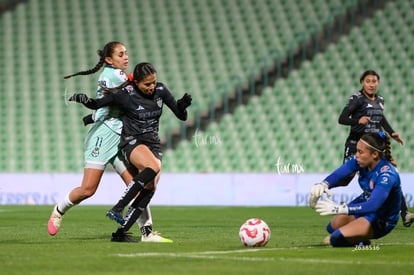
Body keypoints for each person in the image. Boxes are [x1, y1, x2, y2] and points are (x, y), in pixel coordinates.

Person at [48, 42, 171, 243]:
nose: (126, 57)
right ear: (108, 60)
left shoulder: (116, 75)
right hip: (104, 135)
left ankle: (147, 232)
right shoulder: (115, 76)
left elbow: (115, 101)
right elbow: (129, 90)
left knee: (140, 185)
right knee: (88, 189)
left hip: (122, 135)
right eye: (121, 54)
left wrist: (92, 115)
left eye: (126, 53)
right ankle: (59, 209)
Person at [69, 62, 192, 242]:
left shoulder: (161, 90)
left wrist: (182, 106)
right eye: (146, 84)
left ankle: (121, 234)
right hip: (132, 141)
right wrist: (85, 100)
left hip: (153, 144)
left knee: (151, 186)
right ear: (137, 83)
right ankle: (118, 207)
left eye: (153, 82)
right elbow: (98, 104)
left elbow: (181, 116)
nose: (151, 87)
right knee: (153, 166)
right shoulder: (125, 94)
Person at [337, 69, 413, 227]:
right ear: (362, 83)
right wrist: (358, 120)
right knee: (345, 180)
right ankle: (321, 189)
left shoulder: (380, 100)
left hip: (374, 148)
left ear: (378, 83)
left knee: (390, 177)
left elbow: (381, 118)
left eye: (374, 81)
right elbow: (342, 119)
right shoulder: (357, 99)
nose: (371, 84)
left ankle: (405, 213)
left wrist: (392, 133)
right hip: (355, 145)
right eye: (368, 81)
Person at [310, 132, 402, 247]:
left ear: (374, 154)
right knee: (332, 227)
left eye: (360, 152)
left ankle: (361, 237)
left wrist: (340, 208)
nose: (356, 155)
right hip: (363, 204)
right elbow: (341, 173)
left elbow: (374, 205)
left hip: (380, 217)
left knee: (335, 239)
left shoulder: (386, 175)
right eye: (357, 151)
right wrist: (323, 185)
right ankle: (360, 236)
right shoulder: (361, 161)